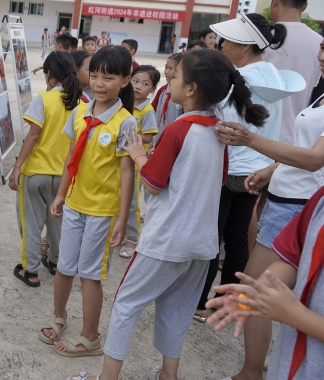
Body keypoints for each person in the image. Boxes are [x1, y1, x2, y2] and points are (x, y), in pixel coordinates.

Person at [67, 48, 268, 380]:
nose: (170, 79)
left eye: (176, 76)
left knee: (125, 305)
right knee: (177, 310)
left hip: (166, 240)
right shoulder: (217, 129)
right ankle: (167, 376)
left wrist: (136, 153)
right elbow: (215, 180)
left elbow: (154, 183)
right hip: (202, 245)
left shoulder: (177, 129)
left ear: (191, 89)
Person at [209, 36, 324, 380]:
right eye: (323, 47)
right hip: (291, 203)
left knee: (261, 292)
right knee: (259, 289)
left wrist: (251, 140)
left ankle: (251, 371)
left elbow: (316, 158)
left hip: (298, 207)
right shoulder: (320, 92)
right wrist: (272, 169)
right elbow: (307, 150)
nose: (321, 55)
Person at [193, 12, 301, 323]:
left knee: (211, 238)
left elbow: (222, 126)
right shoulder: (275, 75)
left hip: (230, 169)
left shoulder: (239, 79)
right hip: (259, 171)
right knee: (238, 236)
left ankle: (200, 303)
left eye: (227, 41)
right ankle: (225, 299)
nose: (222, 45)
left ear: (244, 45)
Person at [40, 46, 136, 357]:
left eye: (108, 77)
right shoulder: (81, 111)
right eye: (94, 75)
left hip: (102, 212)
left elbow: (126, 173)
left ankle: (90, 336)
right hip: (75, 205)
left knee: (90, 273)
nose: (99, 83)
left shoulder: (125, 123)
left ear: (124, 80)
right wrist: (60, 195)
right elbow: (72, 157)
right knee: (65, 266)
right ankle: (59, 316)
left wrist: (123, 218)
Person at [206, 183, 324, 380]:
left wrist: (293, 314)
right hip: (290, 363)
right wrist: (251, 296)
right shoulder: (319, 200)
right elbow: (292, 256)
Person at [8, 52, 83, 287]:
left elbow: (33, 134)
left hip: (36, 172)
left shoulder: (44, 99)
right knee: (57, 222)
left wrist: (17, 166)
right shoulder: (80, 103)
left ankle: (30, 270)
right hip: (64, 177)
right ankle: (55, 261)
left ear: (49, 75)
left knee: (31, 223)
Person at [265, 0, 322, 145]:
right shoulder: (319, 44)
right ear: (304, 6)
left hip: (255, 137)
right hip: (292, 142)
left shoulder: (263, 39)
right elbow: (311, 90)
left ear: (274, 1)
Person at [117, 65, 160, 259]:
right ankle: (120, 232)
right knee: (118, 199)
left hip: (135, 164)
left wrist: (127, 135)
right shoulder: (123, 103)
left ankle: (132, 239)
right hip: (120, 161)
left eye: (145, 84)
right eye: (136, 81)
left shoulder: (147, 110)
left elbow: (149, 137)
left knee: (132, 202)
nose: (138, 87)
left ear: (152, 89)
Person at [151, 53, 184, 140]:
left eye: (171, 68)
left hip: (173, 139)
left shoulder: (183, 94)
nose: (166, 72)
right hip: (157, 137)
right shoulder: (162, 90)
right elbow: (152, 110)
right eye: (166, 67)